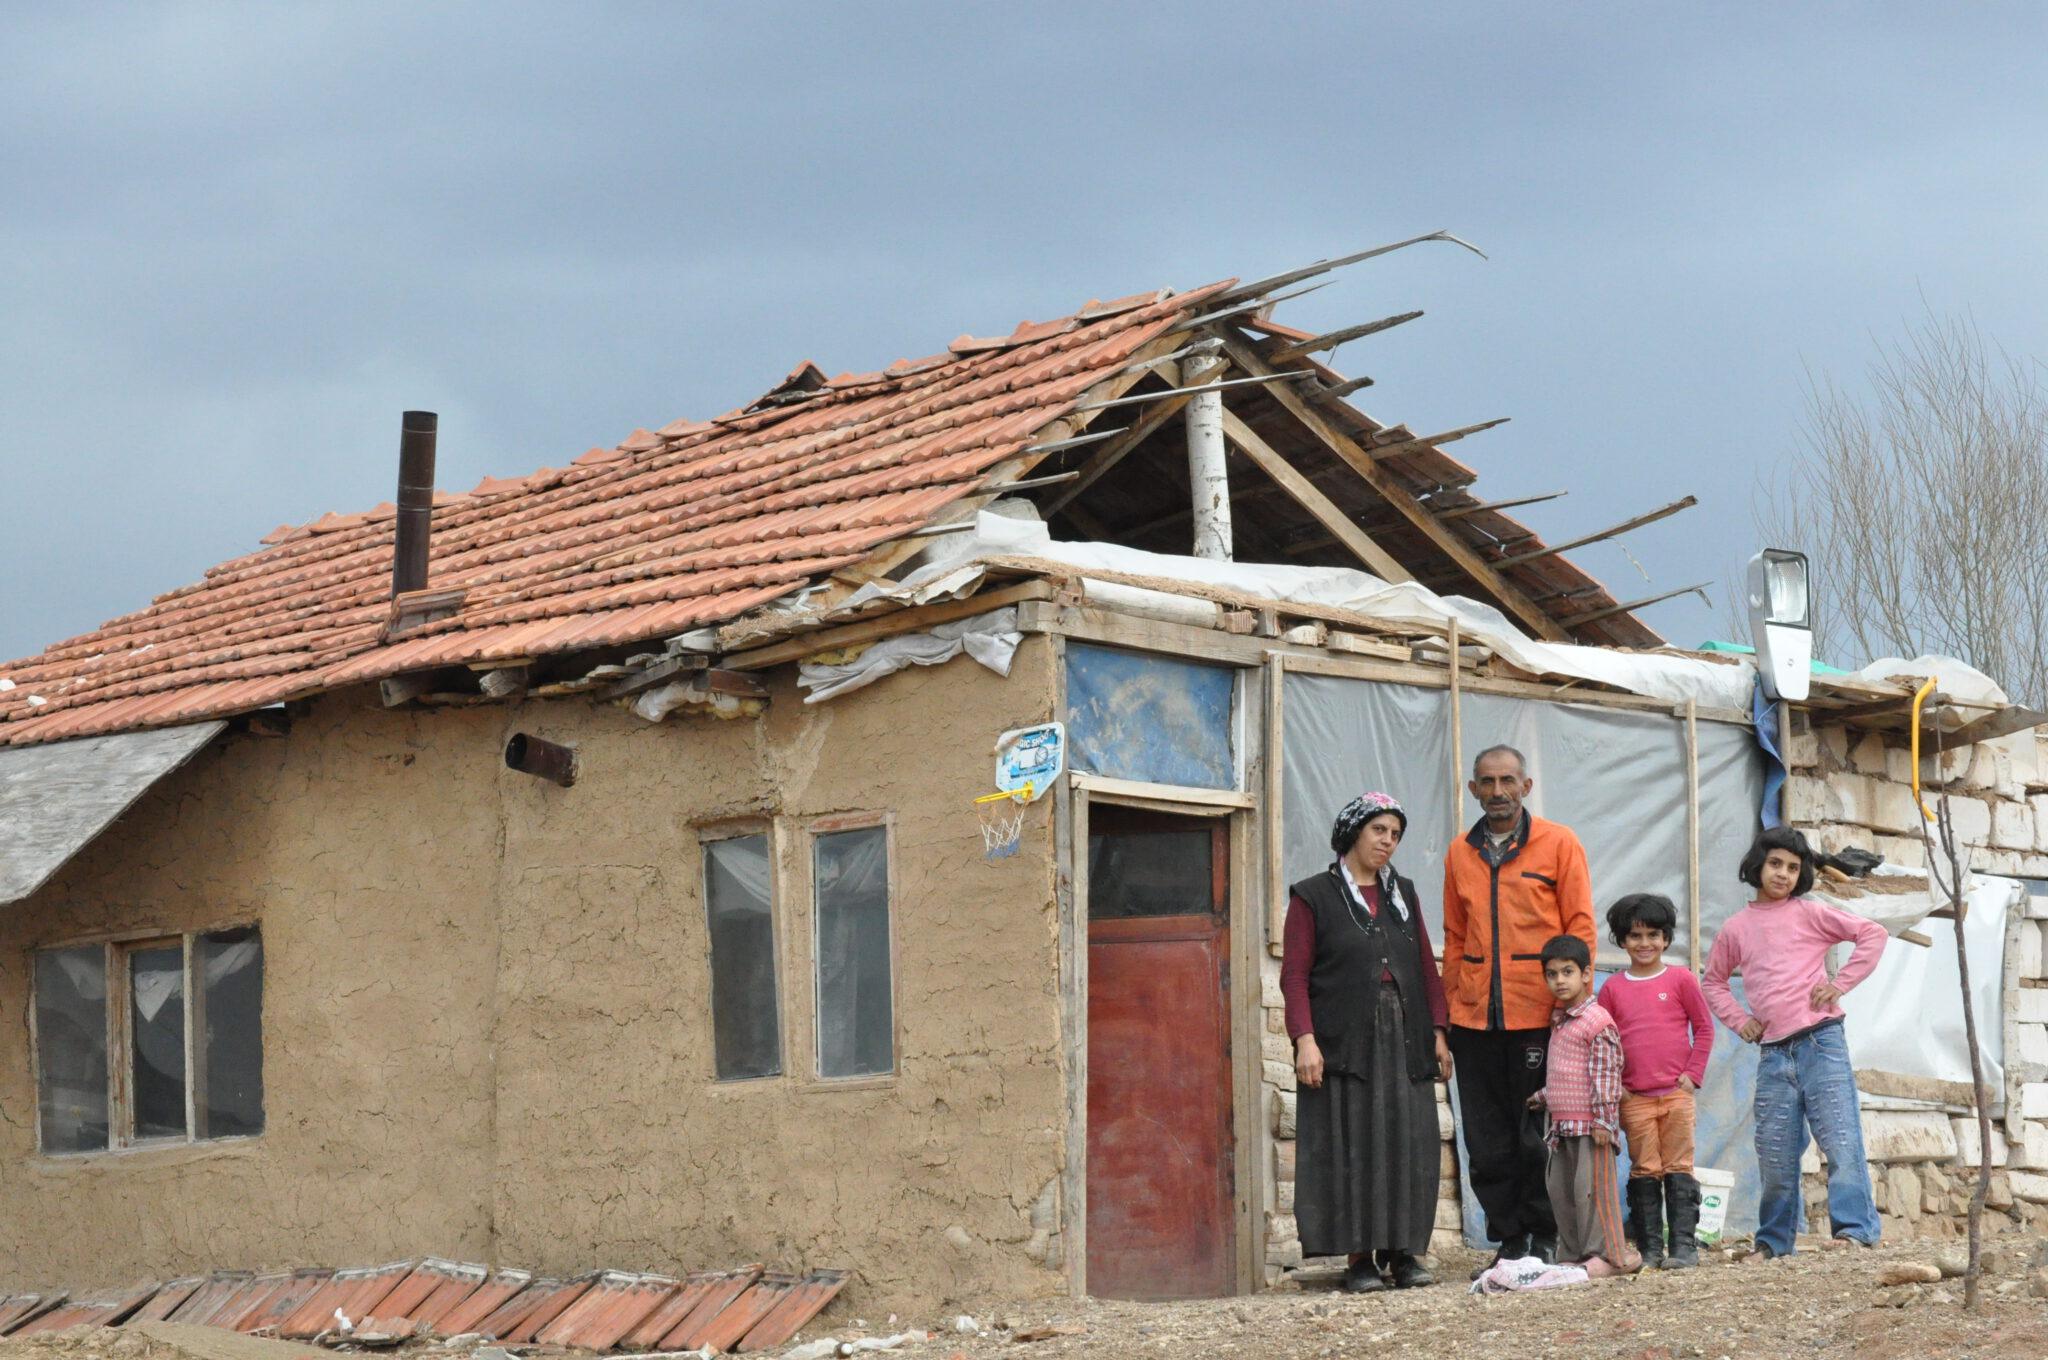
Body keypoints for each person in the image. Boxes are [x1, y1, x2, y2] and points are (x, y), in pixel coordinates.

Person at [1281, 792, 1453, 1294]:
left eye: (1395, 834)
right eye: (1379, 830)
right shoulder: (1312, 895)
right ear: (1354, 831)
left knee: (1407, 1139)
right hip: (1344, 1042)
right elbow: (1294, 975)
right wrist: (1304, 1039)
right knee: (1351, 1141)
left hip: (1404, 1034)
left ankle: (1402, 1255)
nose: (1388, 842)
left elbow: (1424, 965)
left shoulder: (1405, 894)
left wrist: (1439, 1032)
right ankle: (1359, 1258)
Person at [1442, 745, 1595, 1270]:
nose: (1498, 791)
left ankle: (1546, 1233)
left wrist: (1574, 1003)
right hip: (1474, 1018)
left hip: (1539, 1014)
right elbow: (1455, 936)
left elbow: (1579, 928)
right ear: (1473, 790)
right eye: (1487, 781)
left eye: (1508, 780)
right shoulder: (1460, 852)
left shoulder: (1559, 843)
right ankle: (1507, 1240)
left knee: (1536, 1136)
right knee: (1486, 1141)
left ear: (1526, 787)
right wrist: (1446, 1015)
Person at [1702, 826, 1888, 1259]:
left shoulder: (1810, 912)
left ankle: (1855, 1231)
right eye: (1775, 864)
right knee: (1774, 1153)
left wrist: (1839, 983)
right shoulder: (1736, 928)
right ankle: (1773, 1242)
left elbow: (1872, 934)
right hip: (1772, 1055)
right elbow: (1713, 982)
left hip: (1821, 1042)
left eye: (1792, 867)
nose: (1783, 874)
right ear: (1758, 865)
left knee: (1840, 1140)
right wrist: (1740, 1020)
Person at [1597, 892, 1713, 1269]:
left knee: (1679, 1166)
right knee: (1644, 1169)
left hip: (1676, 1096)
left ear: (1666, 939)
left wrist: (1691, 1077)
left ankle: (1683, 1247)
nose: (1644, 944)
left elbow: (1705, 1030)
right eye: (1634, 936)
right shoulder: (1612, 989)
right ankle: (1649, 1250)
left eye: (1652, 935)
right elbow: (1605, 1043)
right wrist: (1620, 1089)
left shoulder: (1681, 979)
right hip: (1636, 1099)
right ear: (1621, 940)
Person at [1527, 934, 1641, 1278]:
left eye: (1567, 972)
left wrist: (1605, 1123)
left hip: (1592, 1127)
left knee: (1594, 1194)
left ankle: (1610, 1256)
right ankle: (1574, 1253)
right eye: (1551, 974)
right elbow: (1568, 1073)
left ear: (1586, 974)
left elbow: (1606, 1076)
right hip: (1562, 1127)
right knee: (1564, 1193)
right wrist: (1541, 1097)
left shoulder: (1597, 1021)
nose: (1559, 981)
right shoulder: (1560, 1021)